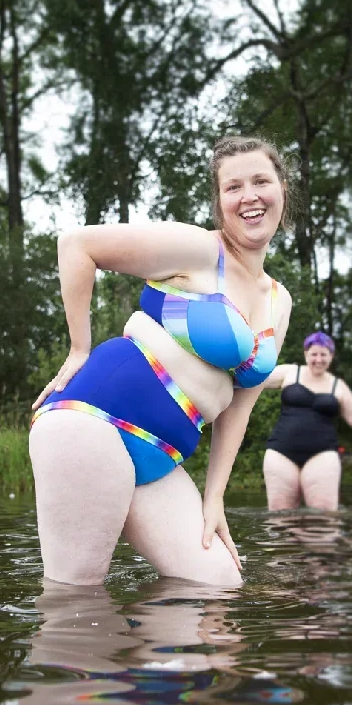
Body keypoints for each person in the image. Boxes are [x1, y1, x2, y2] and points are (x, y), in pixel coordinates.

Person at [29, 136, 294, 586]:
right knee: (77, 605)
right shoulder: (197, 249)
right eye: (233, 187)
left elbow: (241, 405)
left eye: (260, 181)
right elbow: (77, 245)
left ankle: (140, 655)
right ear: (219, 201)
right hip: (95, 421)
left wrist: (215, 499)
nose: (248, 196)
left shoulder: (279, 301)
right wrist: (79, 349)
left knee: (218, 585)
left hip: (163, 454)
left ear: (282, 189)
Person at [262, 332, 352, 510]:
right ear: (306, 354)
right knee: (280, 519)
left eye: (324, 354)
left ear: (331, 356)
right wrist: (230, 374)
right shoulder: (290, 372)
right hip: (281, 452)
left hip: (322, 454)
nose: (318, 359)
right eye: (314, 354)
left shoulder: (338, 386)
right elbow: (256, 379)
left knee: (323, 519)